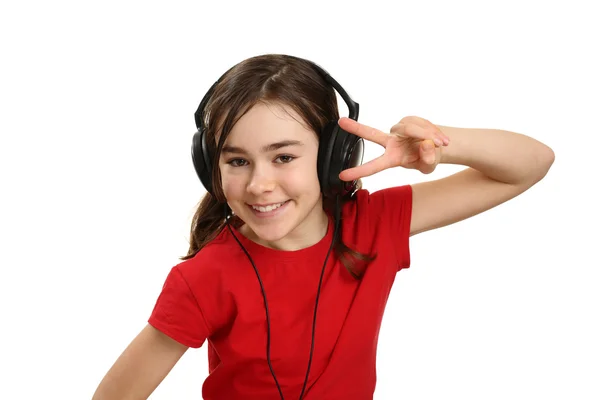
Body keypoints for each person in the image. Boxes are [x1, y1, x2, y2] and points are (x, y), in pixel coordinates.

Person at [92, 54, 555, 400]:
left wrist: (438, 147)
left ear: (335, 156)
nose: (259, 184)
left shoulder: (374, 225)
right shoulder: (204, 278)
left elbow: (531, 164)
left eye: (284, 156)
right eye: (236, 160)